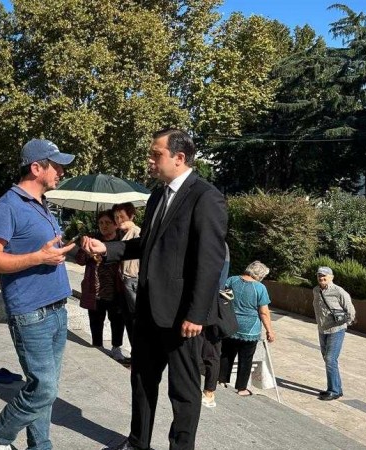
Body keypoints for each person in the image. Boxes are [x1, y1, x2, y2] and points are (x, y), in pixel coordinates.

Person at [83, 128, 227, 450]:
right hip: (148, 310)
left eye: (155, 154)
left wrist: (196, 313)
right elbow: (147, 245)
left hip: (183, 318)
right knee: (141, 381)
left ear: (179, 157)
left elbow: (210, 260)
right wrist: (108, 250)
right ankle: (137, 442)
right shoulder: (159, 195)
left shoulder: (206, 197)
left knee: (184, 392)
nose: (149, 160)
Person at [0, 138, 76, 450]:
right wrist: (39, 257)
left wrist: (71, 253)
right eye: (56, 165)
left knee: (45, 389)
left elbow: (44, 250)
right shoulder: (7, 206)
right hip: (31, 312)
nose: (61, 171)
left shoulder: (42, 205)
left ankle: (40, 446)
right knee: (44, 389)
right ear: (37, 168)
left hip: (57, 308)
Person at [75, 210, 128, 361]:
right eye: (101, 223)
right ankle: (97, 345)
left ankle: (116, 347)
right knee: (96, 319)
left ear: (116, 225)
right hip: (96, 288)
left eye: (108, 223)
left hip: (116, 288)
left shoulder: (122, 241)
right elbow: (79, 260)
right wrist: (85, 251)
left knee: (117, 320)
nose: (104, 226)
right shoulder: (92, 240)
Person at [217, 261, 276, 397]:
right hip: (250, 329)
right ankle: (241, 388)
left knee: (226, 353)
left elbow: (222, 298)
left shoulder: (232, 280)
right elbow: (264, 312)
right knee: (246, 358)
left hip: (230, 324)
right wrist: (269, 331)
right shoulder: (260, 288)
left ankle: (221, 380)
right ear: (260, 275)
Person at [312, 266, 356, 401]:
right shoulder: (316, 290)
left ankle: (334, 391)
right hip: (322, 329)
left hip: (336, 330)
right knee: (327, 359)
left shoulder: (339, 291)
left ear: (331, 277)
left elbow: (351, 311)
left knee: (331, 359)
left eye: (324, 275)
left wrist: (344, 324)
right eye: (319, 275)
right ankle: (336, 388)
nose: (321, 278)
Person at [200, 243, 230, 408]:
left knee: (211, 351)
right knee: (207, 351)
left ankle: (209, 392)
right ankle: (207, 391)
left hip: (211, 306)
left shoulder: (218, 245)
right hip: (208, 305)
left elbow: (217, 280)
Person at [112, 202, 141, 361]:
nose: (119, 220)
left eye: (122, 216)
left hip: (132, 281)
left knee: (135, 320)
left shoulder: (136, 232)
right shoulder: (120, 234)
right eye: (116, 217)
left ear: (131, 217)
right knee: (128, 320)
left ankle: (139, 355)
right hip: (121, 284)